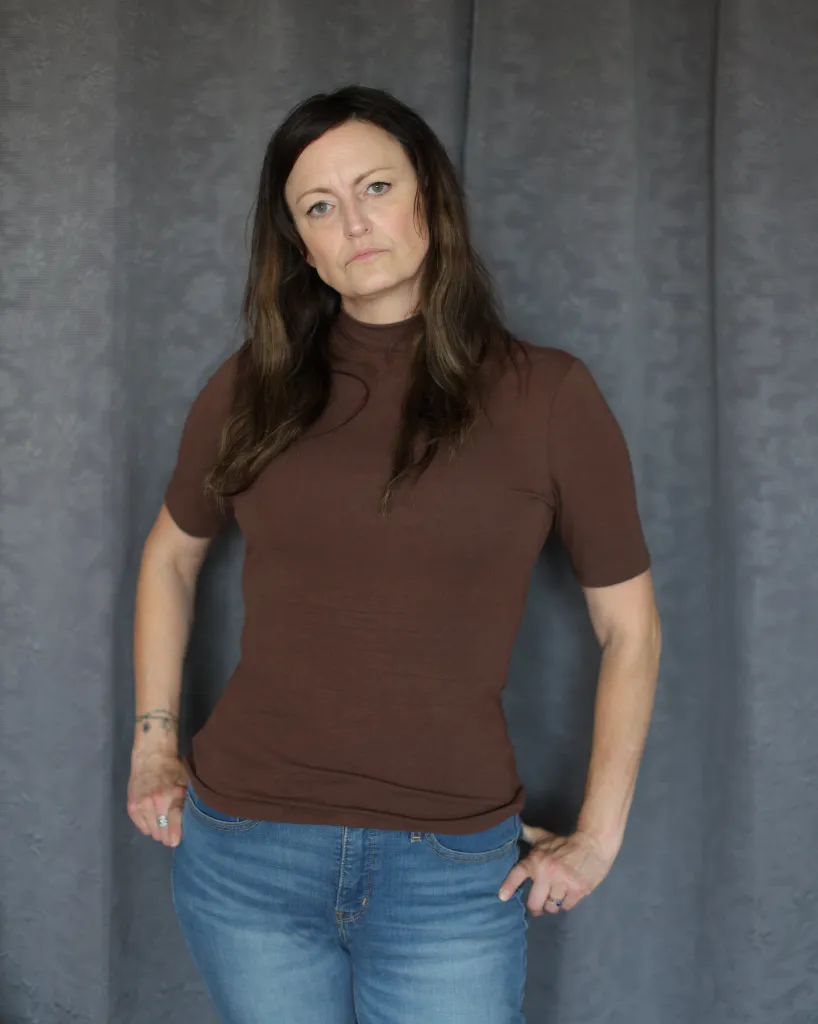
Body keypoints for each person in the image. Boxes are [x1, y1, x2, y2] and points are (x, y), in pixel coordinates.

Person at [128, 84, 661, 1024]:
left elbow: (631, 628)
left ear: (430, 199)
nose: (355, 222)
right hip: (244, 852)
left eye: (376, 186)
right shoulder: (251, 384)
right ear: (301, 245)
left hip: (449, 872)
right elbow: (171, 556)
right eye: (320, 207)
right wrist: (153, 744)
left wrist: (600, 836)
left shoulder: (548, 397)